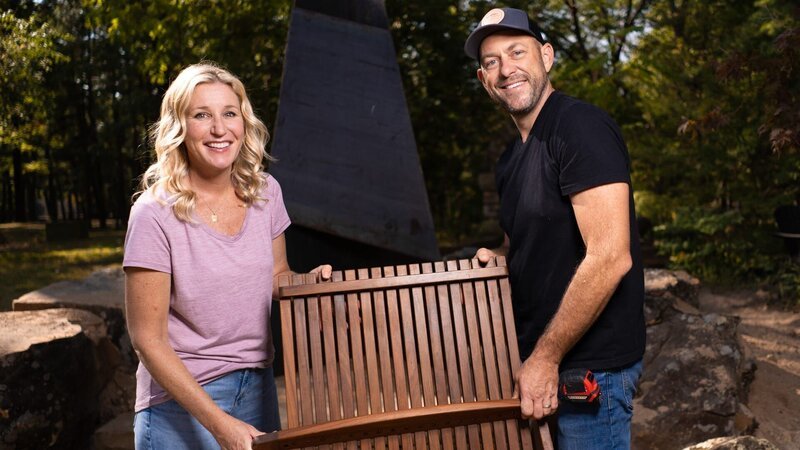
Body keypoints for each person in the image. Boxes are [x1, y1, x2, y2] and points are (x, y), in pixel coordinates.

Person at [123, 62, 331, 450]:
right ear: (179, 127)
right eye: (202, 115)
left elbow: (276, 275)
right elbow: (146, 340)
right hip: (180, 403)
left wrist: (309, 284)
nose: (219, 129)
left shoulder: (265, 192)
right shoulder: (153, 213)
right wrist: (219, 424)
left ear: (243, 122)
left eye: (229, 113)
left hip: (258, 387)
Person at [465, 7, 646, 449]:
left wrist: (545, 357)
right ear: (483, 79)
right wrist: (501, 260)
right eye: (492, 62)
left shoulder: (579, 127)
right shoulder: (511, 160)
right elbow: (529, 245)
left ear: (546, 56)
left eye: (517, 52)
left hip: (589, 371)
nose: (506, 69)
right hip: (540, 365)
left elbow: (610, 255)